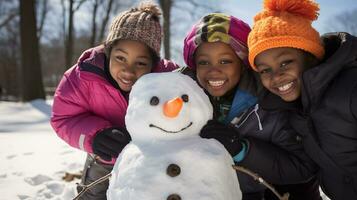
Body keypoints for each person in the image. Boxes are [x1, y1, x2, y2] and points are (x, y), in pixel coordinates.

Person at [182, 13, 321, 200]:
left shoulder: (269, 104)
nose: (214, 70)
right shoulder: (182, 96)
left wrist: (242, 150)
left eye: (225, 61)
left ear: (243, 63)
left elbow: (301, 168)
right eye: (204, 62)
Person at [50, 2, 178, 199]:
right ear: (108, 52)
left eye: (141, 63)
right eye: (120, 58)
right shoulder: (82, 77)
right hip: (104, 154)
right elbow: (63, 118)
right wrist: (95, 137)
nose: (129, 70)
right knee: (94, 194)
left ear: (153, 65)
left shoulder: (169, 77)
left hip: (149, 156)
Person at [247, 0, 357, 199]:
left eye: (285, 62)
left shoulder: (350, 88)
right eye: (265, 70)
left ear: (310, 57)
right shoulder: (294, 111)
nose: (275, 76)